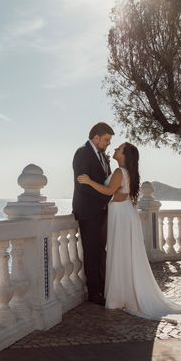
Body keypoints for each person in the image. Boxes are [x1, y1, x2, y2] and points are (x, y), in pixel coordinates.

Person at [78, 142, 181, 323]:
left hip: (120, 213)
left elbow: (109, 190)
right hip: (125, 213)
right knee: (125, 253)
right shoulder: (126, 172)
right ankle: (123, 293)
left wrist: (88, 181)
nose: (116, 150)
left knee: (121, 253)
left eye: (119, 149)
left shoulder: (120, 172)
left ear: (125, 155)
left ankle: (120, 295)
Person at [72, 122, 114, 305]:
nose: (108, 143)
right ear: (96, 137)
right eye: (106, 140)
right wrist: (105, 198)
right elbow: (82, 184)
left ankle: (104, 288)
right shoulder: (82, 153)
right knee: (91, 252)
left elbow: (107, 182)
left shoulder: (103, 157)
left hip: (102, 212)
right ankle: (94, 293)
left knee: (100, 251)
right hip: (88, 212)